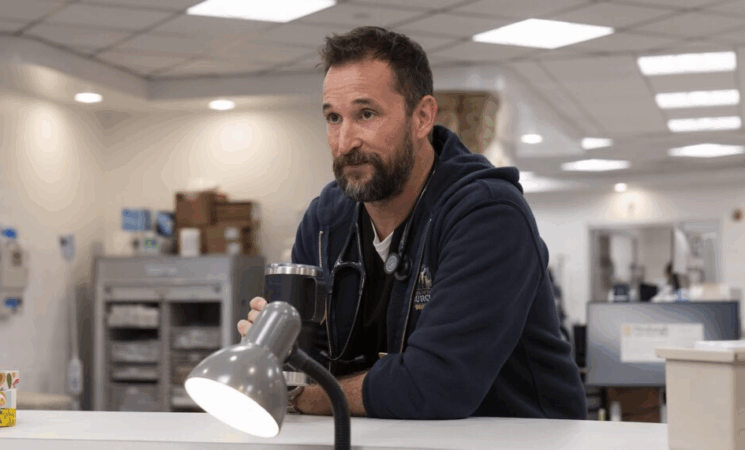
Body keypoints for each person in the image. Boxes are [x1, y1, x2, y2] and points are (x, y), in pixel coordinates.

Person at [237, 26, 586, 420]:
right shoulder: (325, 221)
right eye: (334, 118)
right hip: (384, 436)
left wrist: (304, 398)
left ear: (422, 118)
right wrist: (274, 346)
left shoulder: (488, 216)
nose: (345, 141)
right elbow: (301, 363)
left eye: (366, 114)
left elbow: (435, 386)